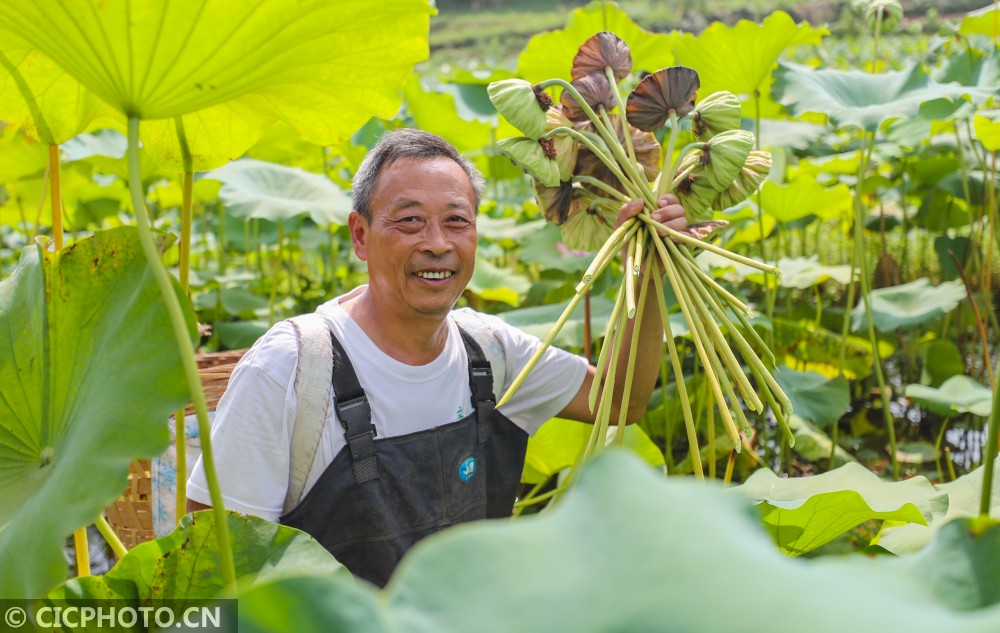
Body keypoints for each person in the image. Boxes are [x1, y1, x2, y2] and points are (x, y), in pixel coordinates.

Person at [187, 128, 687, 586]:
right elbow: (205, 566)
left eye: (456, 222)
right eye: (409, 222)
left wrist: (646, 278)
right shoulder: (292, 369)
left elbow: (621, 398)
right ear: (360, 235)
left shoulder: (490, 352)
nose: (437, 243)